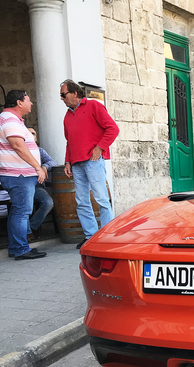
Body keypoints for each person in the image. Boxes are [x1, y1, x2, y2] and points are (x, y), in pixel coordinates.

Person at [60, 79, 119, 249]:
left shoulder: (94, 106)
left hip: (93, 161)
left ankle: (107, 236)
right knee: (82, 201)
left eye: (64, 95)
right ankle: (90, 237)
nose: (62, 98)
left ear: (75, 93)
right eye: (61, 96)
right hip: (77, 163)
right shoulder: (67, 116)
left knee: (101, 198)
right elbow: (69, 142)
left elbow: (112, 129)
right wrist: (67, 161)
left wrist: (99, 148)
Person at [0, 90, 47, 260]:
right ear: (19, 102)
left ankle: (17, 247)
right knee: (22, 211)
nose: (31, 103)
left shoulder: (11, 119)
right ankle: (21, 249)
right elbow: (18, 145)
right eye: (28, 100)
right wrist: (37, 167)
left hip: (19, 175)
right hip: (19, 175)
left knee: (19, 210)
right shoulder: (9, 119)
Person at [27, 127, 56, 237]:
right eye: (28, 133)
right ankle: (25, 232)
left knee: (48, 203)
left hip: (37, 187)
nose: (31, 135)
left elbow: (52, 162)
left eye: (33, 133)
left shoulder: (39, 151)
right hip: (23, 185)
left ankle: (31, 227)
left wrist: (44, 166)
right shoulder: (19, 151)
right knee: (24, 208)